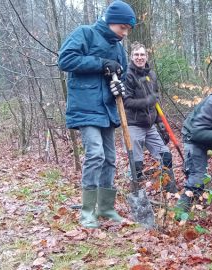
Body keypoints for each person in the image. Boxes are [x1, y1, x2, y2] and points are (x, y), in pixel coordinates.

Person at [58, 0, 136, 228]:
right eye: (123, 27)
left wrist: (119, 85)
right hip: (85, 106)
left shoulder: (119, 49)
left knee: (110, 159)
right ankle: (87, 212)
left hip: (108, 109)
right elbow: (65, 60)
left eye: (128, 29)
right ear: (112, 21)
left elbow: (121, 74)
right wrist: (102, 63)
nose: (125, 33)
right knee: (95, 154)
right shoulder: (85, 34)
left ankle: (106, 208)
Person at [122, 42, 177, 193]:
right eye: (136, 55)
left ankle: (170, 192)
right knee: (136, 164)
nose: (139, 58)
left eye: (142, 55)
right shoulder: (128, 75)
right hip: (133, 125)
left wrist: (161, 125)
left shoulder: (151, 75)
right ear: (132, 57)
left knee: (165, 156)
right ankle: (135, 193)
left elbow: (156, 102)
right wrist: (146, 101)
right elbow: (126, 101)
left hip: (150, 125)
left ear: (147, 57)